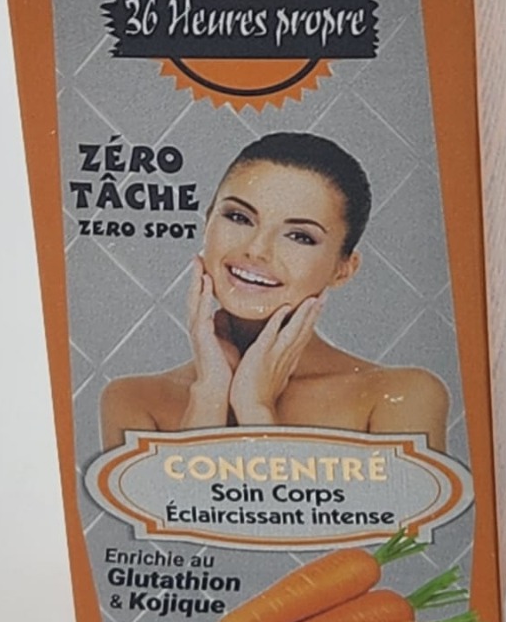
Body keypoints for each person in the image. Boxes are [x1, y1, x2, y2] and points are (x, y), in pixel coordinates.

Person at [100, 133, 449, 451]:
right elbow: (183, 504)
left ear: (344, 268)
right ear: (207, 222)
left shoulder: (399, 397)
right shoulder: (134, 400)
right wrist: (208, 398)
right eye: (239, 217)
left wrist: (256, 409)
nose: (257, 250)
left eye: (300, 236)